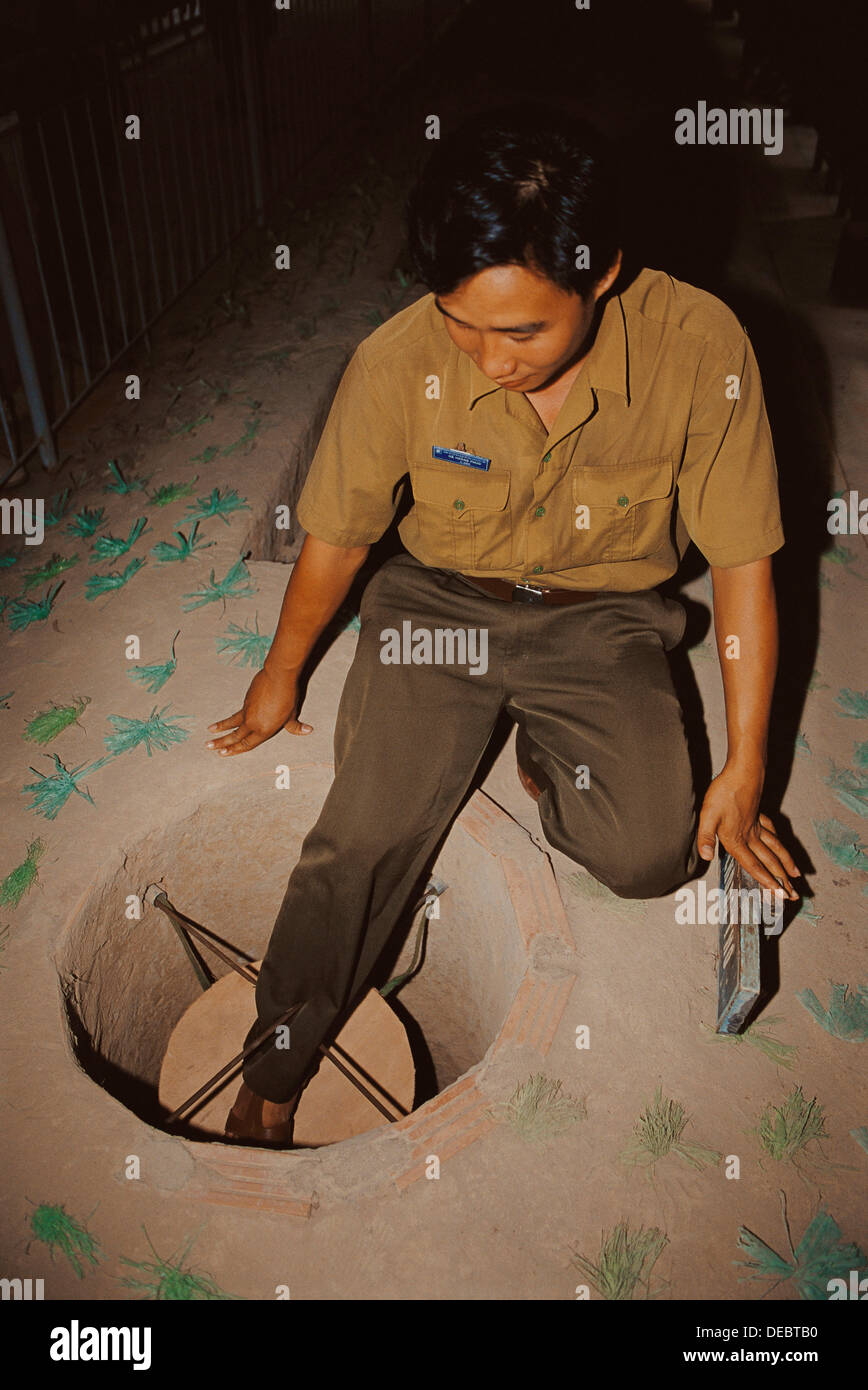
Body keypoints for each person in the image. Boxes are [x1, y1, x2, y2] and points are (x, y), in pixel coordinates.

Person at [206, 103, 801, 1146]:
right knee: (371, 829)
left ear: (602, 271)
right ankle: (277, 1058)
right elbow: (339, 538)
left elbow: (747, 564)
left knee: (650, 854)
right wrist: (279, 673)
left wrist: (747, 761)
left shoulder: (700, 346)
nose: (486, 360)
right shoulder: (395, 361)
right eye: (459, 322)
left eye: (520, 330)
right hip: (439, 609)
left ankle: (540, 758)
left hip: (603, 619)